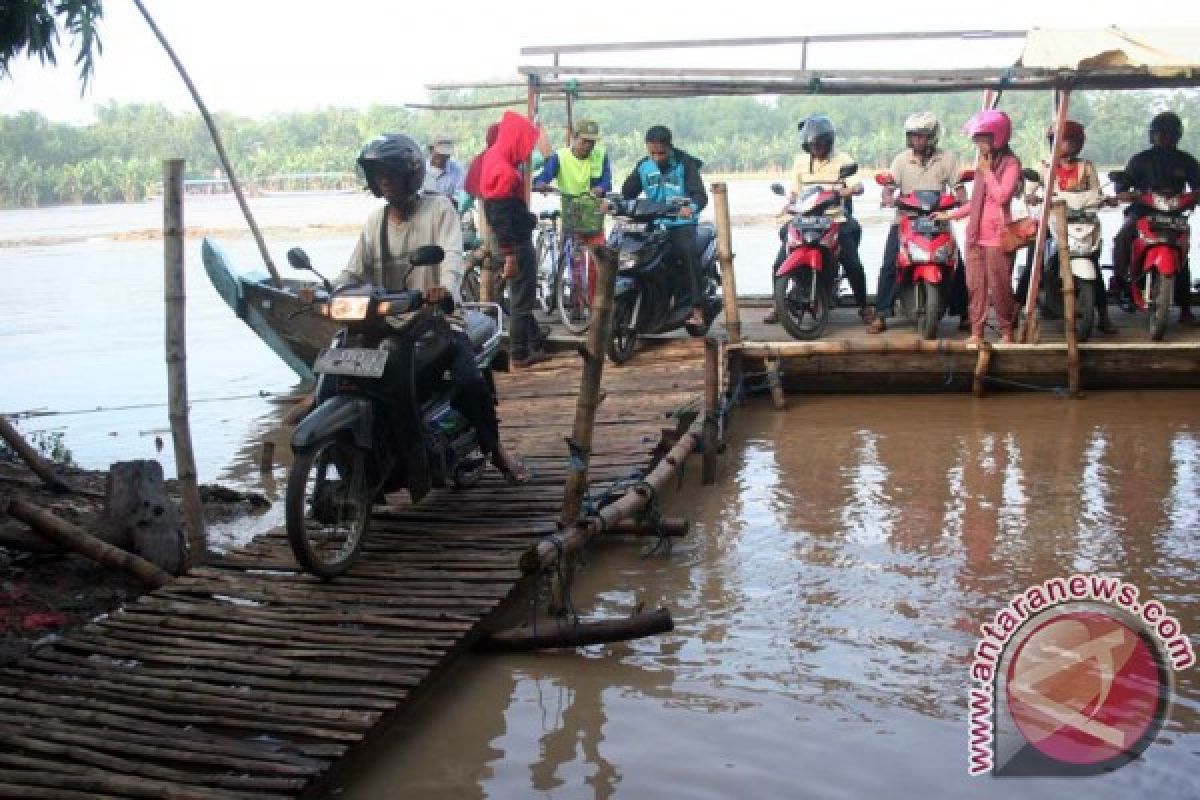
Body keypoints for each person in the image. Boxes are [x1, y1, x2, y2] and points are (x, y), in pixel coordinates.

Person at [339, 133, 528, 483]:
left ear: (409, 174)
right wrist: (326, 291)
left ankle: (496, 449)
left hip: (437, 320)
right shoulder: (374, 222)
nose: (384, 180)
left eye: (390, 172)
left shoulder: (439, 209)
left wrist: (445, 289)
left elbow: (452, 258)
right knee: (342, 374)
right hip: (385, 324)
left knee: (470, 381)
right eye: (378, 173)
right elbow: (352, 270)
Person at [868, 112, 967, 334]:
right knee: (889, 263)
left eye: (922, 136)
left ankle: (964, 313)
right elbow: (890, 184)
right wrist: (887, 197)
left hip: (938, 220)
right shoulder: (901, 160)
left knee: (956, 263)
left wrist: (961, 197)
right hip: (906, 220)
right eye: (913, 137)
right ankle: (881, 314)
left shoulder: (947, 159)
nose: (917, 141)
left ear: (932, 137)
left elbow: (958, 186)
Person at [766, 114, 869, 325]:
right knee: (780, 258)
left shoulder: (843, 160)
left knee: (852, 261)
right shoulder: (800, 162)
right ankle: (778, 303)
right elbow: (795, 192)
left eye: (821, 144)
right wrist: (789, 202)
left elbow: (859, 186)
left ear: (829, 142)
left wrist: (842, 192)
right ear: (807, 145)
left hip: (834, 218)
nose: (817, 148)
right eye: (813, 144)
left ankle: (864, 306)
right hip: (805, 218)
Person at [933, 110, 1022, 344]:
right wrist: (950, 215)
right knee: (975, 287)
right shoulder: (984, 164)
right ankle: (977, 332)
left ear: (997, 138)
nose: (979, 144)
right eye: (977, 140)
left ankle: (1007, 331)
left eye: (983, 139)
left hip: (997, 234)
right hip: (975, 235)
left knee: (1001, 286)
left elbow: (1002, 197)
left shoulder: (1011, 163)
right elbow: (976, 202)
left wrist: (988, 173)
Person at [1019, 120, 1117, 334]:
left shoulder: (1086, 167)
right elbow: (1030, 190)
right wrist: (1031, 196)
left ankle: (1104, 315)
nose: (1063, 145)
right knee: (1034, 259)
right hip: (1053, 220)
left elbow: (1096, 191)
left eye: (1067, 141)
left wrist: (1106, 199)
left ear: (1077, 143)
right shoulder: (1044, 167)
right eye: (1059, 141)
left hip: (1082, 220)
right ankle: (1021, 305)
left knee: (1094, 263)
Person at [1111, 111, 1200, 323]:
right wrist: (1124, 191)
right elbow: (1123, 184)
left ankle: (1185, 307)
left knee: (1183, 253)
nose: (1164, 137)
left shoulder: (1186, 161)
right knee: (1123, 236)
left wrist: (1193, 197)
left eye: (1169, 133)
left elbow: (1197, 186)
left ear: (1177, 135)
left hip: (1174, 214)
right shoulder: (1140, 160)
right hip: (1143, 212)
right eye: (1159, 133)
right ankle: (1120, 281)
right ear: (1152, 135)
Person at [480, 110, 551, 368]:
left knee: (516, 294)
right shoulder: (505, 171)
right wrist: (510, 254)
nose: (526, 150)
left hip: (506, 240)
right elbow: (501, 216)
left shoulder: (492, 159)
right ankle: (519, 353)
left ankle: (529, 341)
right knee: (522, 299)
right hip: (514, 243)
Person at [621, 125, 709, 329]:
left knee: (686, 252)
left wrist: (691, 207)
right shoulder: (644, 166)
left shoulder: (685, 163)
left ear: (669, 148)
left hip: (680, 223)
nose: (657, 157)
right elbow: (628, 191)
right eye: (652, 153)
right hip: (655, 223)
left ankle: (698, 308)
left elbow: (700, 195)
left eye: (661, 153)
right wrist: (616, 204)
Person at [533, 118, 613, 199]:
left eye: (592, 141)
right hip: (568, 206)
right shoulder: (559, 157)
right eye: (584, 141)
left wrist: (600, 188)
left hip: (594, 206)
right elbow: (544, 176)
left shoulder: (601, 155)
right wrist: (540, 184)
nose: (588, 145)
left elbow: (607, 181)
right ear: (574, 137)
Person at [423, 133, 466, 204]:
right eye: (439, 153)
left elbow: (459, 199)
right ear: (431, 150)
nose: (443, 157)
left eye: (446, 155)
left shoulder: (458, 171)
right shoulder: (420, 169)